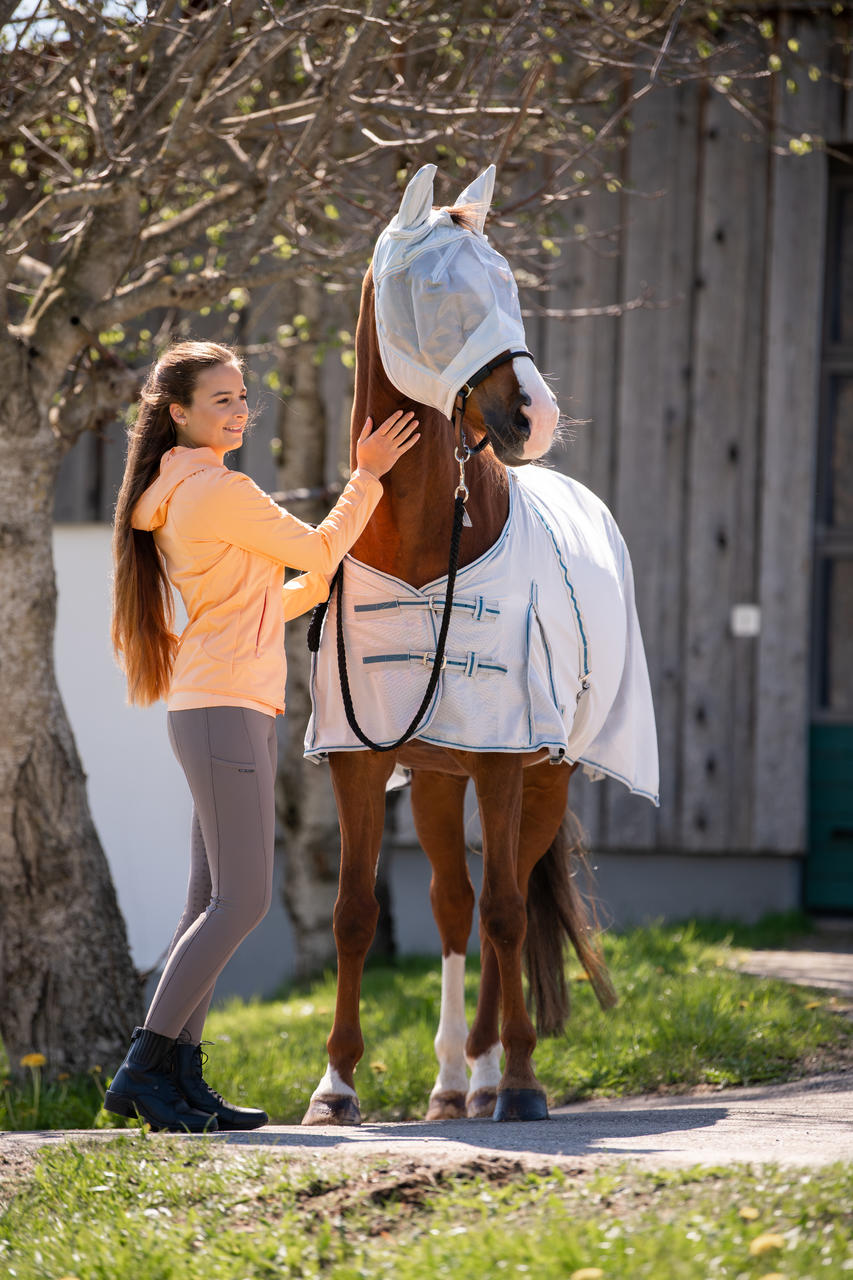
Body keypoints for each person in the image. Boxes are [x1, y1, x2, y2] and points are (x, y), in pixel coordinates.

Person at [107, 339, 418, 1132]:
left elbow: (257, 599)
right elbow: (314, 544)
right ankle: (142, 1071)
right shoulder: (216, 487)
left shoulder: (179, 488)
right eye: (221, 400)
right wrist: (368, 475)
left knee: (207, 902)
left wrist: (318, 584)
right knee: (240, 901)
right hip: (223, 710)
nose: (239, 410)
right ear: (178, 414)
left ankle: (180, 1080)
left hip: (221, 702)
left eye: (243, 397)